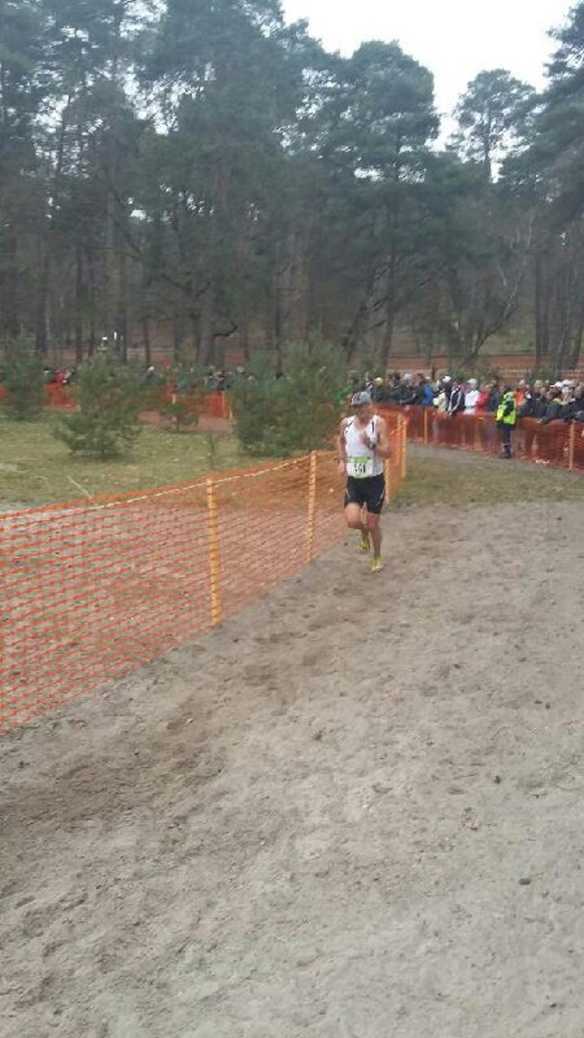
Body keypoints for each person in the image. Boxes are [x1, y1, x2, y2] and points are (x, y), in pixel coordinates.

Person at [338, 392, 392, 574]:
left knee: (372, 524)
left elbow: (388, 452)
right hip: (354, 481)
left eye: (363, 406)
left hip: (374, 482)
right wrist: (342, 460)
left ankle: (377, 556)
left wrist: (371, 444)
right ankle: (363, 533)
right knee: (352, 521)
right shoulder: (346, 424)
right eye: (356, 407)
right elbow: (340, 440)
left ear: (370, 406)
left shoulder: (378, 424)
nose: (360, 410)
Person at [497, 387, 518, 458]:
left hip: (507, 420)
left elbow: (509, 407)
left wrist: (503, 415)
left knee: (506, 437)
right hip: (506, 419)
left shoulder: (508, 396)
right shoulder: (507, 396)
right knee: (505, 437)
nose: (501, 389)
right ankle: (506, 452)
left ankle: (507, 453)